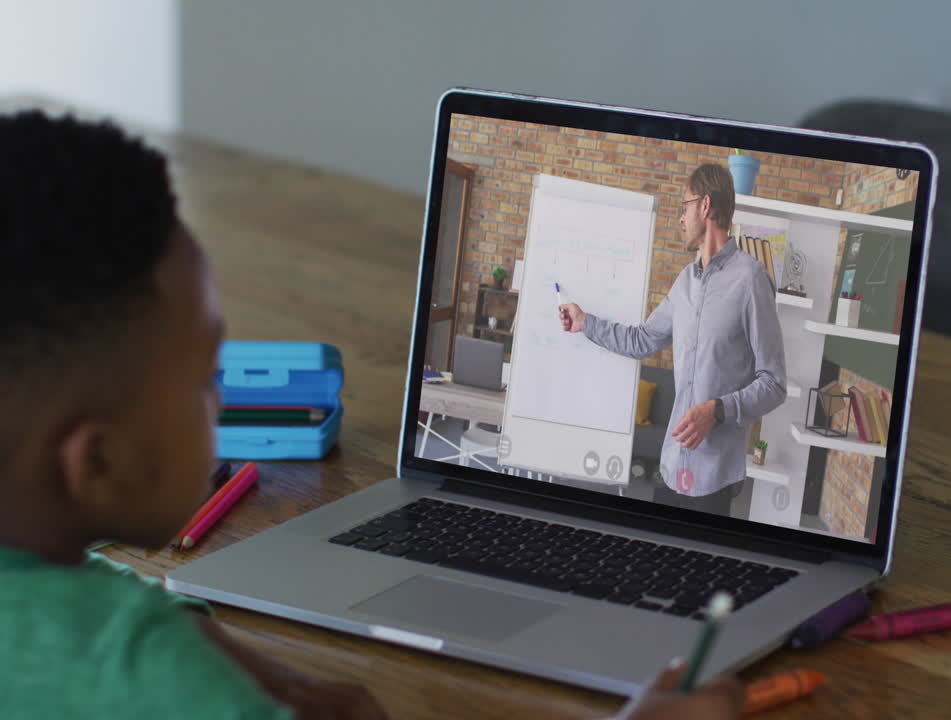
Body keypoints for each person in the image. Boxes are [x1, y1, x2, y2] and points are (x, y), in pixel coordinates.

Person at [0, 111, 742, 720]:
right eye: (203, 379)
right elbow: (646, 339)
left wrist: (200, 637)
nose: (221, 400)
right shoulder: (150, 676)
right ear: (96, 461)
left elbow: (78, 594)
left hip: (708, 471)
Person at [560, 164, 786, 515]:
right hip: (671, 467)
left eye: (684, 207)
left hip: (713, 477)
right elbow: (642, 339)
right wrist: (585, 323)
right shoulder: (685, 282)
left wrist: (718, 410)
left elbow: (774, 383)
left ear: (706, 206)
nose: (680, 219)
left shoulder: (752, 281)